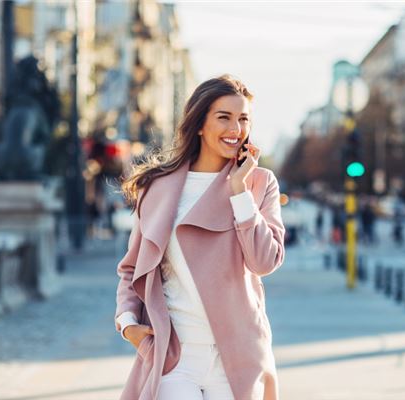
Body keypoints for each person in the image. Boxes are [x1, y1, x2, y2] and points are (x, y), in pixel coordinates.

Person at [114, 75, 285, 400]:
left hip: (237, 357)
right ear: (200, 124)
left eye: (243, 118)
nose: (236, 129)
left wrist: (239, 191)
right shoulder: (158, 187)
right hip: (173, 356)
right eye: (224, 117)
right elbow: (131, 269)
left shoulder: (260, 183)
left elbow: (264, 261)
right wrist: (127, 324)